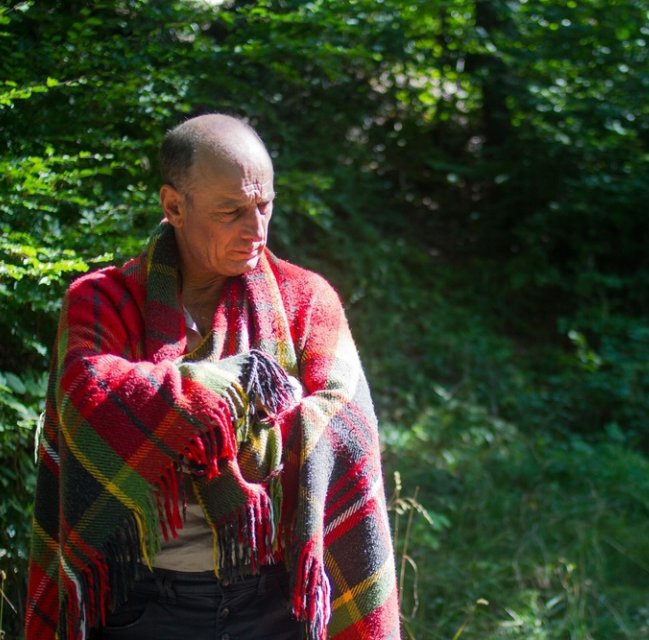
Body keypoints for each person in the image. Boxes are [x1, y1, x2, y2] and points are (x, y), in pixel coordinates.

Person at [25, 114, 400, 640]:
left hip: (275, 603)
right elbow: (90, 404)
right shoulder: (99, 301)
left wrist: (177, 413)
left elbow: (348, 423)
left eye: (264, 205)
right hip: (143, 607)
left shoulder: (308, 300)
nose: (257, 229)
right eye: (232, 211)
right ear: (174, 206)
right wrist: (235, 389)